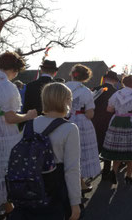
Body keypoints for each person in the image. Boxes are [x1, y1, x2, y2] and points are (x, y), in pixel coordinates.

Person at [9, 83, 81, 220]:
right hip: (54, 189)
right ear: (65, 100)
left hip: (29, 187)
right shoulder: (70, 129)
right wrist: (75, 202)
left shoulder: (30, 124)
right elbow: (72, 169)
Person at [0, 52, 37, 217]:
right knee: (4, 170)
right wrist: (29, 115)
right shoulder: (7, 86)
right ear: (14, 69)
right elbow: (10, 117)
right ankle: (9, 208)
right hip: (2, 134)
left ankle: (7, 207)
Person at [101, 75, 132, 184]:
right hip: (131, 123)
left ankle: (114, 171)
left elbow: (109, 109)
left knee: (118, 148)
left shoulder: (116, 94)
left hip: (116, 121)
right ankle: (128, 176)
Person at [65, 64, 101, 192]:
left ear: (71, 74)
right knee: (80, 153)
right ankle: (80, 183)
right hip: (81, 123)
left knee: (67, 153)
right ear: (86, 77)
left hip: (63, 121)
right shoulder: (86, 91)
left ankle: (74, 181)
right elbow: (89, 114)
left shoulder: (61, 88)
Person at [91, 70, 118, 181]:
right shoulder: (116, 92)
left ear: (105, 79)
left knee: (95, 144)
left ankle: (92, 169)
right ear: (115, 81)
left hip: (95, 120)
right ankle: (106, 170)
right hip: (109, 121)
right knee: (108, 145)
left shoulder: (95, 89)